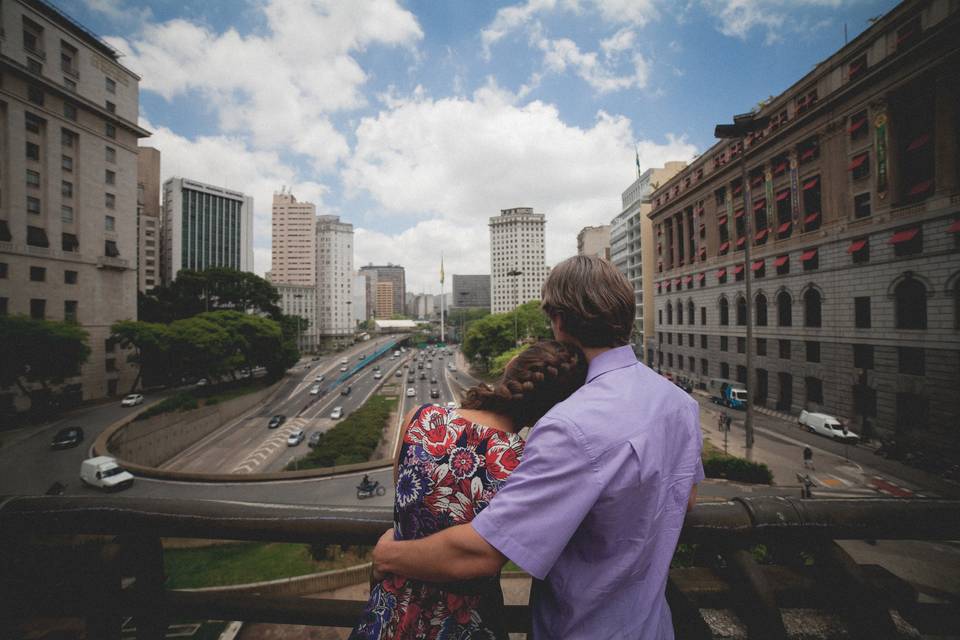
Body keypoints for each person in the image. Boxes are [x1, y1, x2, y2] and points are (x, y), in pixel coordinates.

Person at [372, 256, 704, 639]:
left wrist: (388, 554)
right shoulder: (679, 403)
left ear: (559, 320)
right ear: (626, 316)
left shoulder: (569, 424)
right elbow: (687, 497)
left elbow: (483, 551)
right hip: (654, 627)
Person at [350, 340, 588, 639]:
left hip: (392, 610)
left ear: (509, 369)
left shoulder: (421, 418)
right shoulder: (525, 462)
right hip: (468, 621)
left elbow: (404, 503)